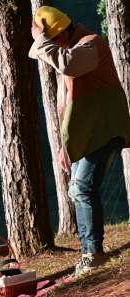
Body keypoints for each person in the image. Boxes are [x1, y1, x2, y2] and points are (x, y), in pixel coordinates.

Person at [29, 6, 130, 276]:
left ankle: (92, 253)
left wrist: (42, 41)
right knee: (78, 189)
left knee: (83, 187)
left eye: (50, 40)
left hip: (104, 130)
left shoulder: (90, 45)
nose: (48, 47)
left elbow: (69, 63)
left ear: (61, 33)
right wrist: (65, 147)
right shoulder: (68, 51)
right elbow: (67, 109)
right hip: (87, 134)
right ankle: (90, 251)